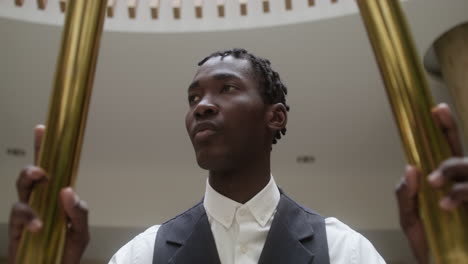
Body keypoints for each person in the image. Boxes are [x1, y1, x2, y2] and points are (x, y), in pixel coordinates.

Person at [7, 49, 468, 264]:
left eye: (227, 88)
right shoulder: (141, 255)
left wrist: (451, 256)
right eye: (193, 98)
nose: (202, 105)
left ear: (276, 117)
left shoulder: (346, 251)